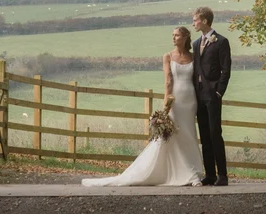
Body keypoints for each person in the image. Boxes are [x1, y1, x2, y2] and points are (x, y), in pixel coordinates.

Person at [81, 26, 204, 187]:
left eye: (177, 35)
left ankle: (191, 171)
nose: (173, 38)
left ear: (186, 37)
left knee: (188, 133)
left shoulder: (193, 57)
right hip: (175, 99)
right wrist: (166, 104)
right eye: (173, 35)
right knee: (175, 134)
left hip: (190, 99)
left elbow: (198, 78)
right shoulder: (168, 56)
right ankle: (184, 173)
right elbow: (168, 80)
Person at [192, 5, 232, 187]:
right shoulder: (195, 44)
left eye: (196, 20)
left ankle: (222, 175)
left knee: (216, 134)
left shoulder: (221, 42)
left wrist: (218, 91)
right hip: (199, 96)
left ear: (205, 21)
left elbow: (226, 70)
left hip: (213, 95)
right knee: (205, 135)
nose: (194, 23)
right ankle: (209, 174)